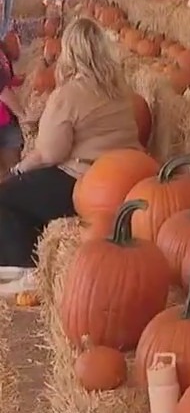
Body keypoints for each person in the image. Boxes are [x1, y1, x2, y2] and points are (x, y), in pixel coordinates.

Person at [0, 18, 143, 294]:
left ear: (69, 53)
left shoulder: (68, 94)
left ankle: (25, 269)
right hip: (125, 178)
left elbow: (49, 154)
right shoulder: (120, 90)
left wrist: (19, 169)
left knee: (6, 196)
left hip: (84, 182)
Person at [0, 41, 27, 178]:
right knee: (12, 171)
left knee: (10, 172)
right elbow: (3, 91)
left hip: (6, 120)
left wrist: (16, 80)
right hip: (5, 123)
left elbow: (5, 79)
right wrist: (24, 116)